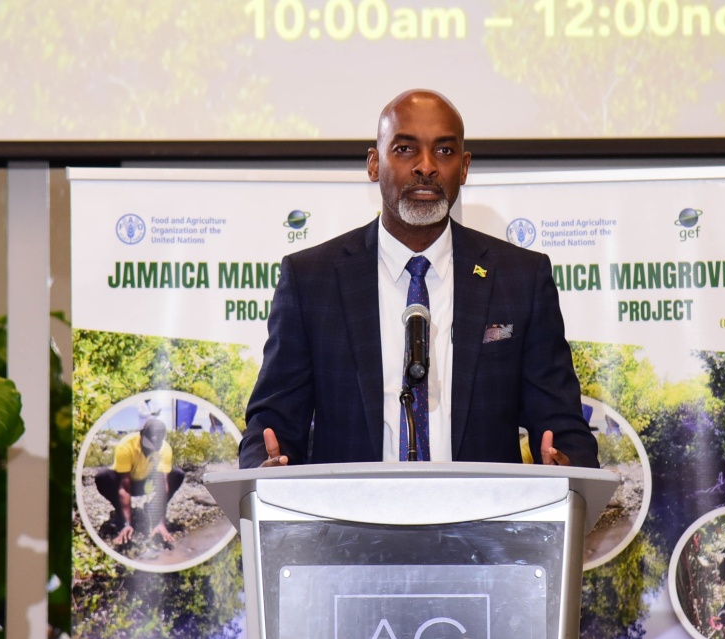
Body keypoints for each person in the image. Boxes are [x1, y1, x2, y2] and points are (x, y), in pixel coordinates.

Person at [238, 89, 598, 468]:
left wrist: (567, 465)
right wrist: (266, 468)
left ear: (464, 167)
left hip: (481, 522)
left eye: (444, 151)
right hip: (353, 522)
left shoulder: (521, 278)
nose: (426, 166)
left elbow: (562, 426)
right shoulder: (311, 279)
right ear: (374, 164)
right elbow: (272, 423)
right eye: (406, 149)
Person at [94, 417, 185, 545]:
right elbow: (125, 486)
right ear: (141, 434)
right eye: (147, 447)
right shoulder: (127, 445)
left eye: (154, 449)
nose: (150, 452)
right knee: (102, 477)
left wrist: (160, 522)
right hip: (126, 482)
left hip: (148, 482)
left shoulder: (165, 449)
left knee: (177, 474)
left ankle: (151, 509)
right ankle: (122, 512)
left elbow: (162, 486)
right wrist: (127, 524)